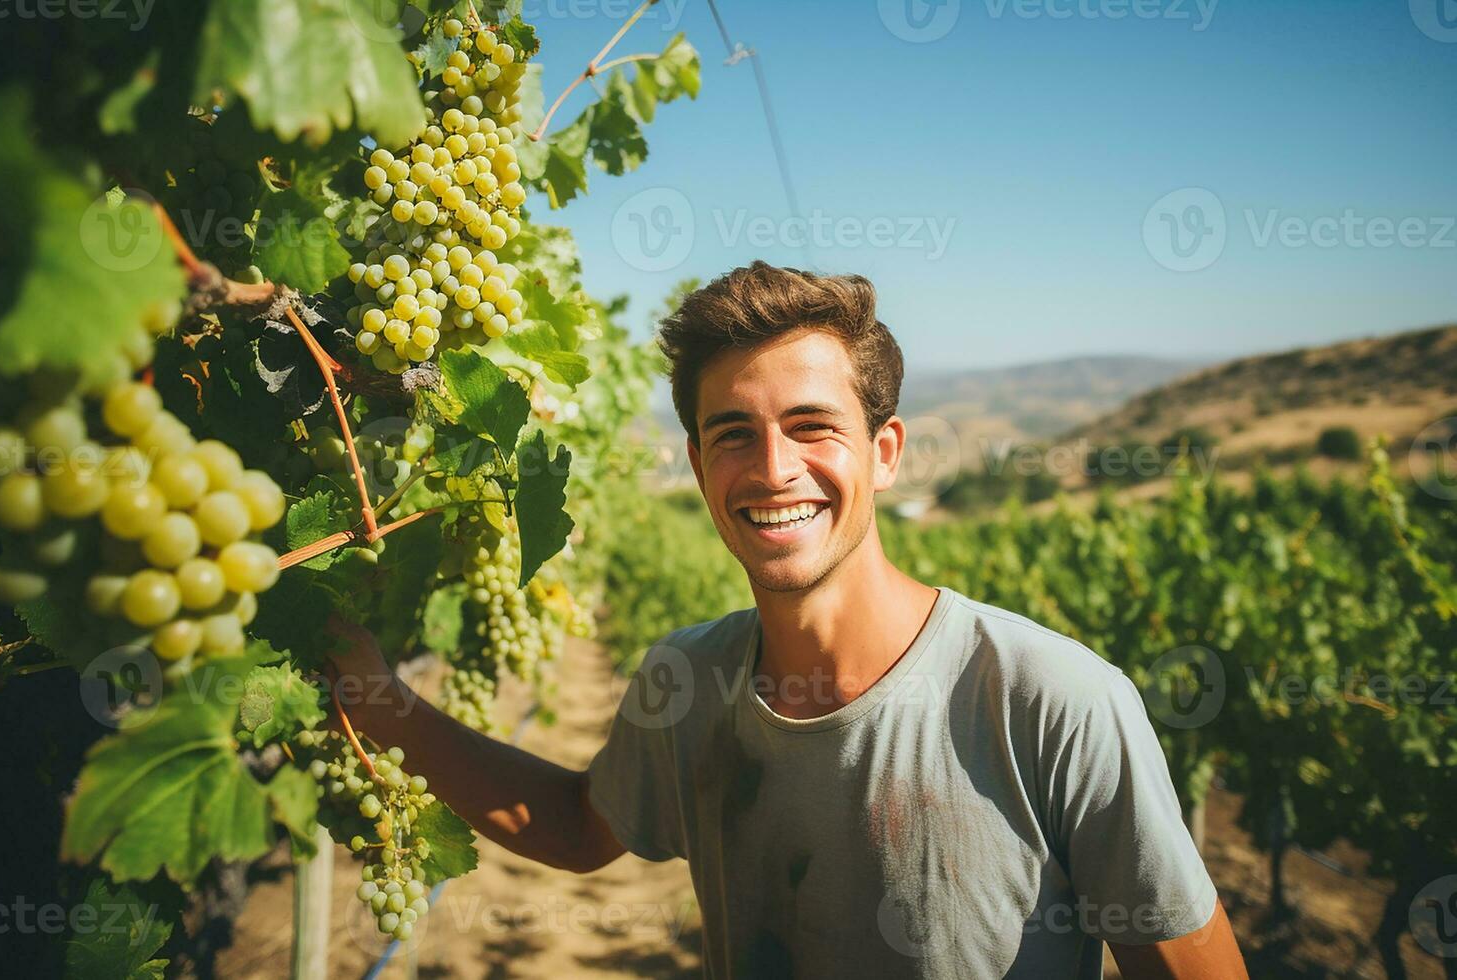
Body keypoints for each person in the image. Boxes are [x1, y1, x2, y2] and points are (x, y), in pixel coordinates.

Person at [326, 261, 1249, 978]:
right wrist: (374, 695)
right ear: (697, 467)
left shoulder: (1055, 701)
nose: (772, 469)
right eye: (734, 434)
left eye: (813, 426)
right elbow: (575, 826)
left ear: (885, 453)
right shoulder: (682, 682)